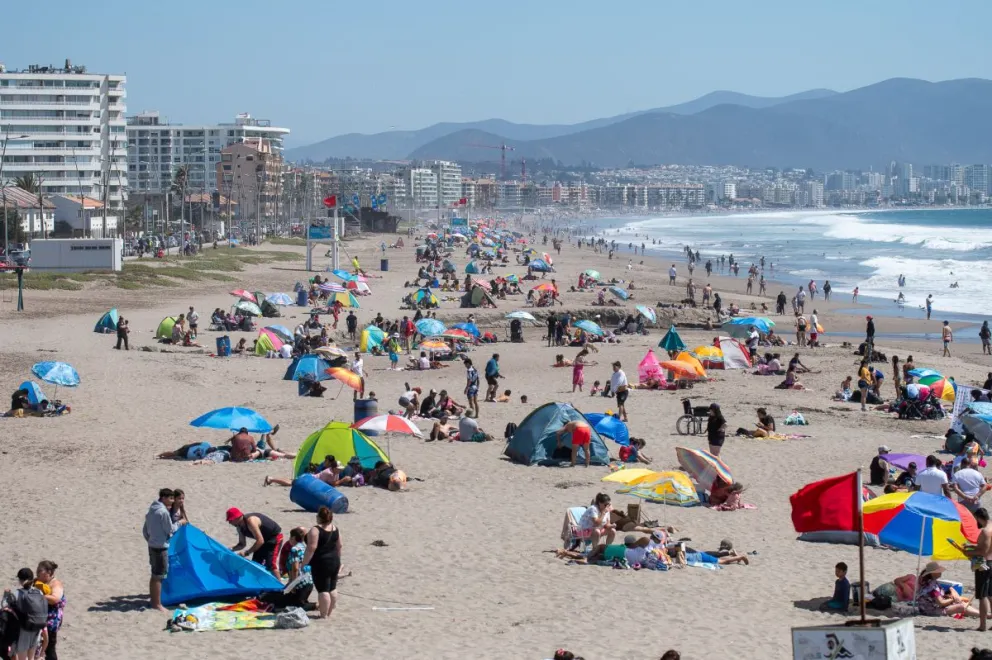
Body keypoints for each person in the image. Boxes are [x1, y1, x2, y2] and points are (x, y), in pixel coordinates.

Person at [143, 488, 185, 612]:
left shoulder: (152, 509)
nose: (172, 501)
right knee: (159, 576)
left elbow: (145, 530)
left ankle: (154, 600)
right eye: (171, 498)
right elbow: (170, 529)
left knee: (155, 574)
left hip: (152, 545)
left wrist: (150, 540)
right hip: (160, 547)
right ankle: (157, 604)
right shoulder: (163, 512)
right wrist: (181, 523)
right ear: (164, 498)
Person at [951, 508, 992, 631]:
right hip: (991, 562)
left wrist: (966, 552)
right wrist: (971, 546)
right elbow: (987, 546)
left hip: (983, 564)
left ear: (979, 518)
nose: (976, 522)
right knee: (990, 594)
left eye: (976, 519)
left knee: (982, 595)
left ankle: (983, 625)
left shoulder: (985, 531)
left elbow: (983, 551)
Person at [301, 506, 342, 621]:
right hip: (334, 560)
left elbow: (311, 548)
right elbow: (339, 546)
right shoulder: (335, 528)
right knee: (332, 588)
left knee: (323, 589)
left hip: (321, 562)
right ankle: (329, 612)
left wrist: (304, 563)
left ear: (319, 517)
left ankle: (323, 615)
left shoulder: (315, 530)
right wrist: (338, 560)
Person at [227, 508, 284, 579]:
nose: (229, 523)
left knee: (271, 564)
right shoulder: (239, 527)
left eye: (230, 520)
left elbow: (260, 540)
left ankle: (281, 588)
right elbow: (242, 544)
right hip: (263, 541)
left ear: (236, 518)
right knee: (256, 563)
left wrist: (246, 553)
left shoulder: (250, 521)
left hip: (274, 538)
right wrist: (231, 549)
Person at [5, 568, 47, 660]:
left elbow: (4, 606)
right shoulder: (39, 592)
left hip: (24, 630)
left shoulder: (17, 593)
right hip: (37, 628)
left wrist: (6, 595)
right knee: (31, 658)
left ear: (20, 580)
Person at [35, 560, 63, 660]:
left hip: (52, 617)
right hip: (40, 616)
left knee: (49, 647)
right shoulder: (38, 582)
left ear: (49, 573)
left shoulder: (56, 584)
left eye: (40, 571)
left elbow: (55, 599)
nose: (37, 573)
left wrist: (41, 596)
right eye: (37, 570)